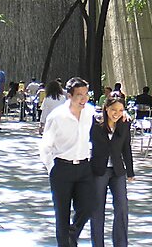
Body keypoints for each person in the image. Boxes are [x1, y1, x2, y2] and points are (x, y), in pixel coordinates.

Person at [39, 77, 96, 247]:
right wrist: (52, 168)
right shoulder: (57, 117)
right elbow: (45, 146)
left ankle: (72, 233)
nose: (83, 98)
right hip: (62, 168)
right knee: (62, 214)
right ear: (69, 96)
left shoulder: (90, 112)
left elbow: (108, 116)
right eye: (79, 95)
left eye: (86, 94)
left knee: (88, 206)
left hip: (84, 167)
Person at [90, 96, 135, 247]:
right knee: (97, 209)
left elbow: (126, 147)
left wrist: (130, 171)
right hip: (98, 169)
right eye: (113, 110)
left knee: (122, 207)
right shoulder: (95, 122)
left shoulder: (124, 123)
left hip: (117, 170)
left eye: (121, 110)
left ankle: (121, 243)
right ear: (106, 108)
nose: (117, 113)